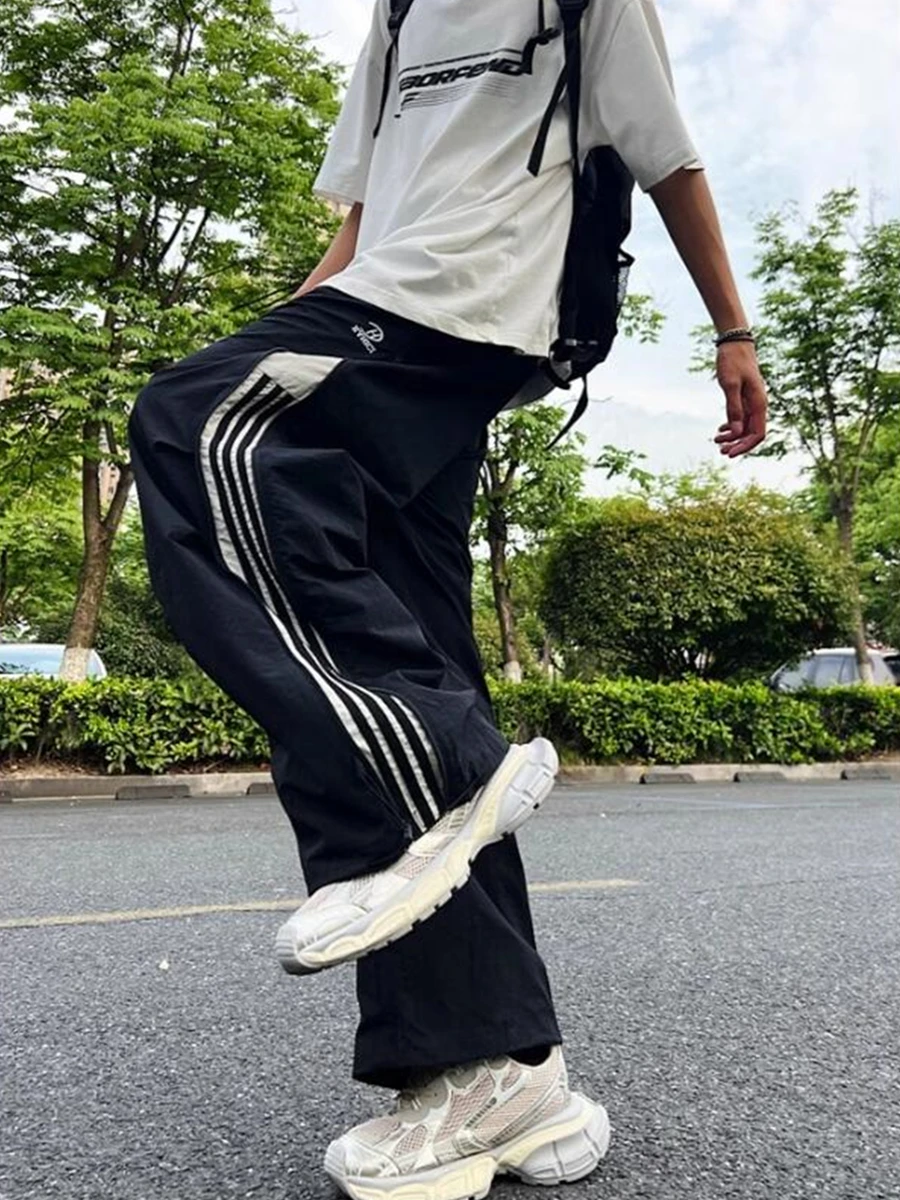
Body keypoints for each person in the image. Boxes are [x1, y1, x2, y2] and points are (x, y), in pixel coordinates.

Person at [129, 0, 768, 1196]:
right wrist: (283, 328)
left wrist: (733, 332)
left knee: (189, 422)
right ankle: (506, 1074)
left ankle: (446, 761)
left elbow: (669, 158)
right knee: (411, 642)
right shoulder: (399, 12)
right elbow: (364, 219)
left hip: (471, 318)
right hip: (390, 314)